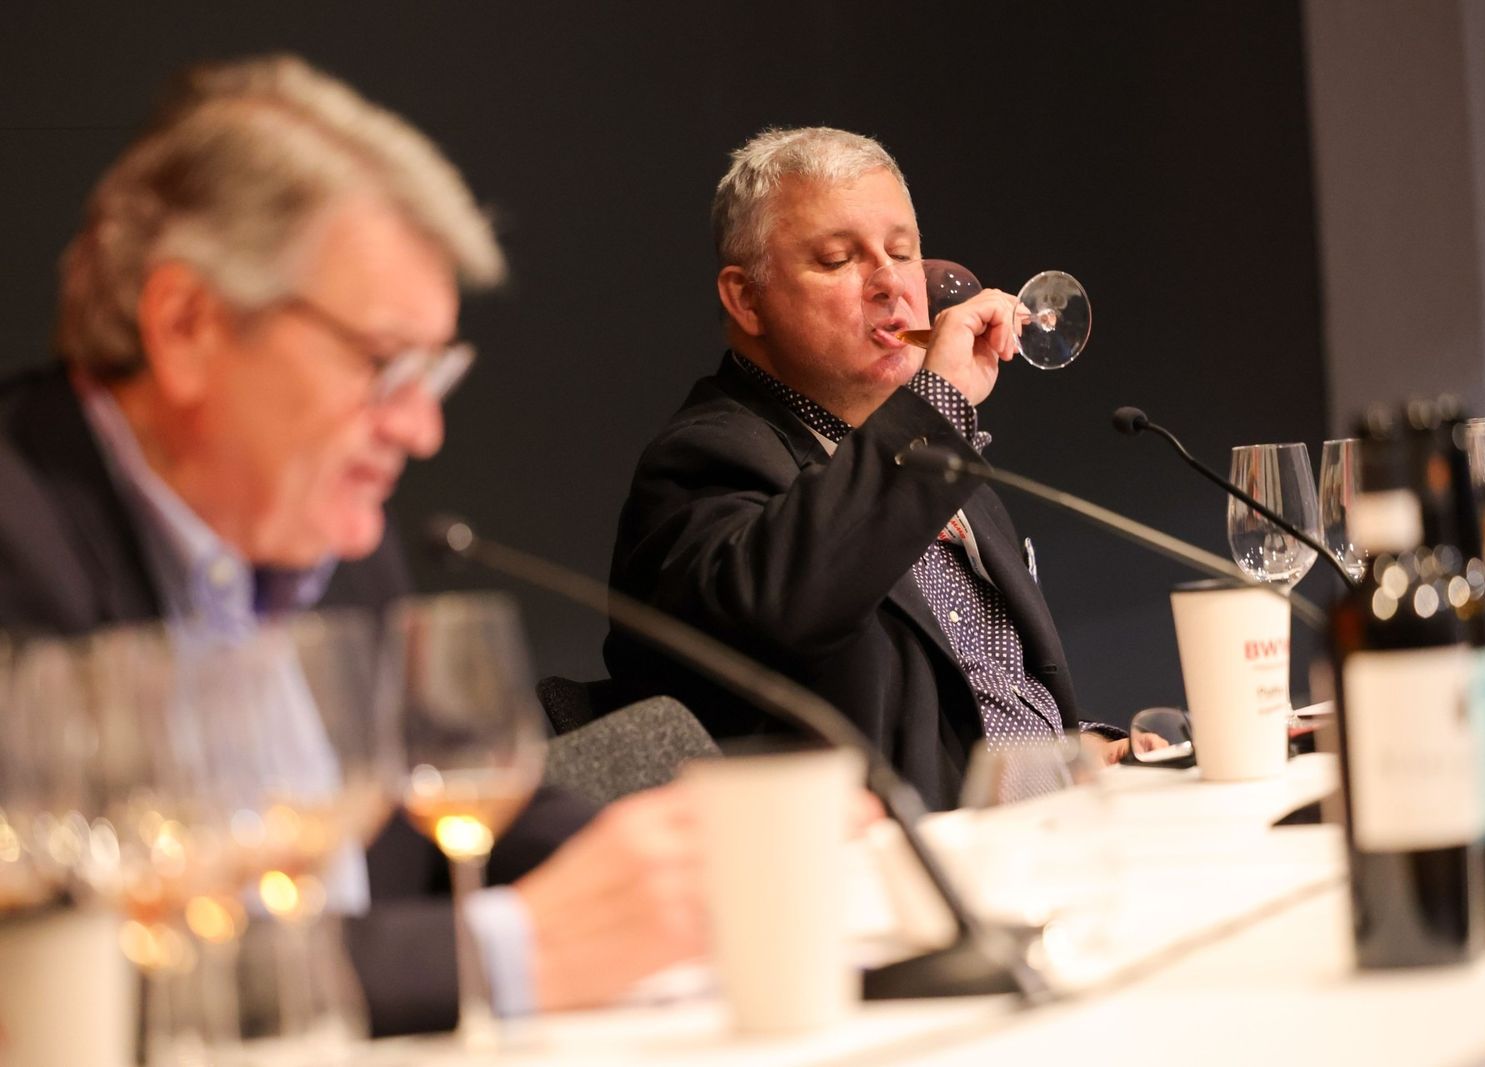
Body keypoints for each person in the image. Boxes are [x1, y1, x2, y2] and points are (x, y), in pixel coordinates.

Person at [0, 54, 702, 1033]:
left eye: (435, 375)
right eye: (384, 364)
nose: (422, 429)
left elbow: (459, 810)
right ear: (188, 324)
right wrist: (496, 953)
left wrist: (677, 877)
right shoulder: (20, 534)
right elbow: (61, 971)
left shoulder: (328, 537)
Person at [606, 127, 1125, 811]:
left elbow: (986, 696)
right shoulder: (703, 462)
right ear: (746, 298)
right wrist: (933, 410)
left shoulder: (927, 446)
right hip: (879, 858)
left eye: (902, 252)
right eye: (837, 259)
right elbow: (790, 608)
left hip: (1044, 827)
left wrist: (1082, 752)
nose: (889, 283)